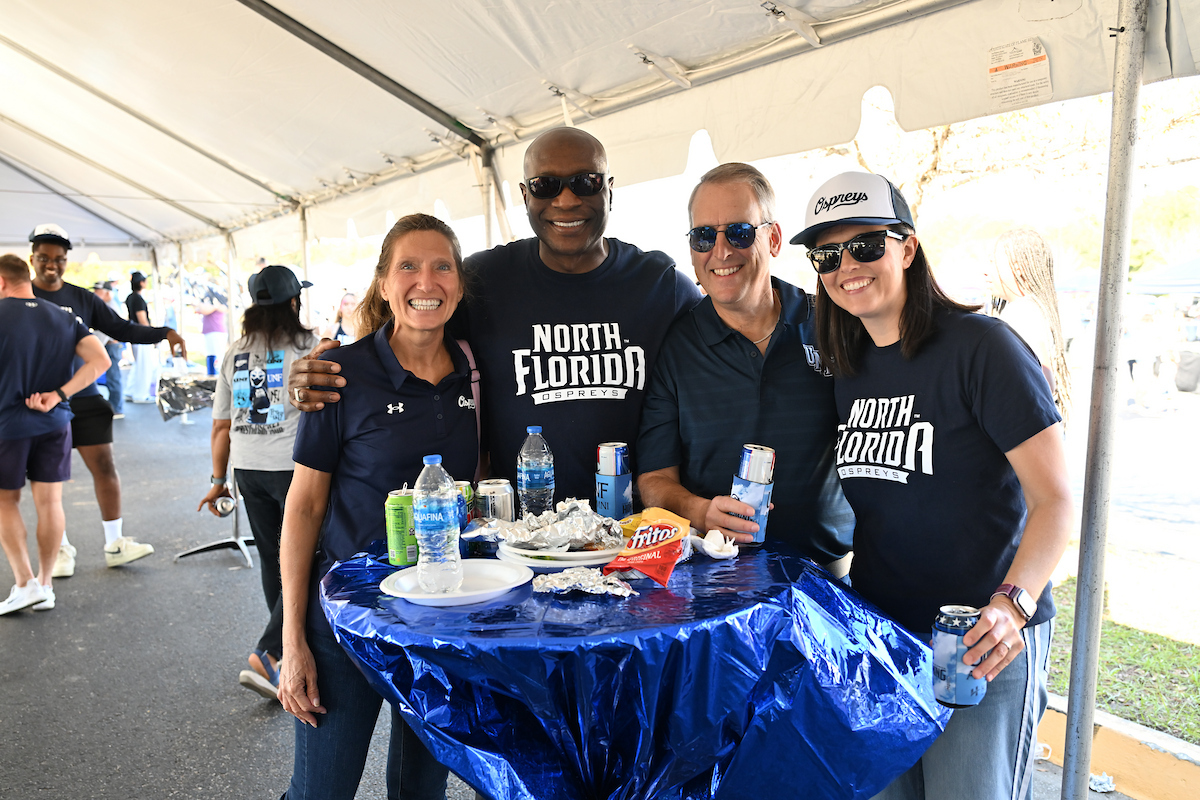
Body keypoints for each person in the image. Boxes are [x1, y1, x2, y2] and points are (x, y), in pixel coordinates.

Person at [792, 172, 1072, 800]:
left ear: (908, 248)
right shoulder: (848, 367)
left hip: (981, 639)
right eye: (827, 256)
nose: (847, 268)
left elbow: (1056, 499)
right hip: (884, 639)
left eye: (866, 246)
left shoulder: (983, 349)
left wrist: (1013, 607)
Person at [288, 127, 701, 502]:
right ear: (525, 195)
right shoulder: (484, 279)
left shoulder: (661, 285)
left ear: (609, 189)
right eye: (546, 185)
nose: (567, 199)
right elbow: (405, 338)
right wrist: (324, 372)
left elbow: (723, 354)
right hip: (519, 544)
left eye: (585, 182)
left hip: (633, 536)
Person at [279, 214, 476, 799]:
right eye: (408, 267)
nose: (427, 281)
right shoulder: (339, 374)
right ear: (384, 284)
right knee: (322, 792)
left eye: (443, 266)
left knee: (421, 792)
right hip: (345, 622)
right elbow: (304, 509)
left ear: (460, 284)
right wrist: (293, 644)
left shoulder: (476, 370)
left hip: (437, 619)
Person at [636, 163, 853, 569]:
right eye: (704, 236)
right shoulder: (678, 345)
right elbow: (653, 481)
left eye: (739, 232)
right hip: (715, 575)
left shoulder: (832, 323)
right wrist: (701, 511)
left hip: (828, 576)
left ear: (773, 239)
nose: (721, 252)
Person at [29, 224, 186, 574]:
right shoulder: (18, 298)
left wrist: (165, 332)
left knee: (104, 467)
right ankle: (61, 550)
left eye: (59, 259)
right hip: (39, 402)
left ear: (67, 260)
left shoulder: (82, 298)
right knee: (48, 480)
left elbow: (123, 329)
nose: (51, 265)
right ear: (33, 259)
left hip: (83, 396)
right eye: (44, 258)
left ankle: (115, 543)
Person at [197, 265, 317, 701]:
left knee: (273, 559)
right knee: (306, 557)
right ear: (293, 302)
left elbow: (220, 426)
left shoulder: (233, 352)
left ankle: (284, 653)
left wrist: (217, 480)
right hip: (294, 468)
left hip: (247, 467)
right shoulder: (308, 346)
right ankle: (270, 651)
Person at [0, 253, 110, 615]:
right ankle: (45, 586)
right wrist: (60, 395)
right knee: (50, 503)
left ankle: (24, 583)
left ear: (1, 282)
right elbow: (101, 361)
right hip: (54, 422)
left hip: (7, 426)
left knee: (5, 502)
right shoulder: (63, 317)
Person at [987, 229, 1072, 422]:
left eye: (992, 262)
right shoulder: (1031, 308)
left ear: (1018, 267)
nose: (986, 270)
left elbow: (1043, 381)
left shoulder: (1022, 312)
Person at [91, 281, 127, 419]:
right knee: (111, 377)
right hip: (109, 345)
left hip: (111, 345)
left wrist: (93, 344)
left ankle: (116, 408)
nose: (95, 294)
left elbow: (105, 331)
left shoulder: (110, 307)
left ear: (107, 292)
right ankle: (114, 406)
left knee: (113, 377)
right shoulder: (105, 306)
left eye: (98, 291)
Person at [126, 270, 157, 402]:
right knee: (145, 366)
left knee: (138, 364)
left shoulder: (130, 297)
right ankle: (140, 394)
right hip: (141, 336)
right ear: (141, 283)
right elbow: (142, 320)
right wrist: (153, 335)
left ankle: (130, 390)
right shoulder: (138, 299)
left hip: (134, 335)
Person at [195, 280, 229, 376]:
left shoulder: (219, 301)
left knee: (218, 357)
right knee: (210, 356)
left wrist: (213, 304)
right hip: (208, 331)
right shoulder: (208, 301)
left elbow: (206, 310)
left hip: (217, 332)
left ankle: (219, 376)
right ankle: (212, 375)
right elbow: (200, 309)